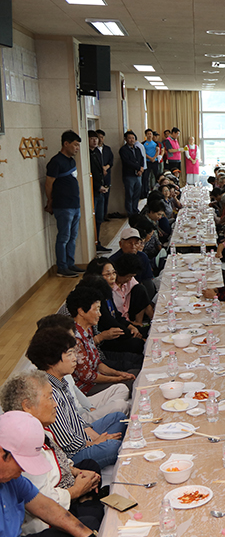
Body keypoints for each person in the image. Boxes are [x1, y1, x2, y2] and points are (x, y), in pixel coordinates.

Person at [0, 371, 104, 528]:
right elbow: (42, 499)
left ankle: (88, 504)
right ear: (27, 406)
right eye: (49, 398)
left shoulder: (44, 430)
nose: (55, 403)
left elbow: (62, 461)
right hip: (49, 514)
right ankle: (88, 506)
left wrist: (76, 472)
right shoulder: (22, 448)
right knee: (92, 518)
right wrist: (76, 491)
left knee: (90, 466)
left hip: (64, 491)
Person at [25, 326, 127, 468]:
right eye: (69, 354)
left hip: (81, 437)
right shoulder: (48, 390)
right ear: (50, 361)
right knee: (115, 446)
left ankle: (107, 447)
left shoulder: (61, 379)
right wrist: (95, 443)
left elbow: (76, 419)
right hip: (74, 454)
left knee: (119, 417)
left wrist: (97, 437)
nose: (75, 359)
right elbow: (65, 442)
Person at [66, 287, 136, 395]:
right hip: (86, 389)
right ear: (81, 312)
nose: (100, 314)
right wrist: (117, 379)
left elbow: (98, 364)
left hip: (95, 380)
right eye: (96, 309)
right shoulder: (76, 339)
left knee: (133, 373)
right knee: (132, 383)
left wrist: (118, 374)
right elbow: (88, 376)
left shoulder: (87, 329)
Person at [45, 131, 83, 278]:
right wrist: (50, 201)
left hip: (75, 204)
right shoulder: (55, 162)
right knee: (64, 237)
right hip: (63, 206)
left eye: (78, 145)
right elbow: (49, 184)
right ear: (65, 144)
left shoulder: (72, 161)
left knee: (73, 237)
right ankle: (62, 267)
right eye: (75, 145)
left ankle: (70, 263)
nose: (77, 148)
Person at [118, 130, 145, 222]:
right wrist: (138, 167)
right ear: (126, 139)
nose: (131, 140)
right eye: (129, 138)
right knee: (129, 193)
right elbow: (127, 162)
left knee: (137, 193)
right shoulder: (123, 150)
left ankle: (135, 209)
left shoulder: (137, 149)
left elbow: (141, 159)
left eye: (133, 138)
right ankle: (130, 212)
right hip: (129, 175)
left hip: (138, 175)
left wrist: (140, 170)